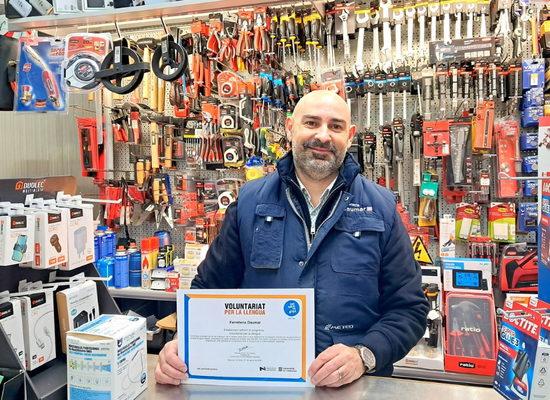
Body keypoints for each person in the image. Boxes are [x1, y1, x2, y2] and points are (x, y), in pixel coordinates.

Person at [155, 90, 429, 388]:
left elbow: (408, 308)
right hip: (262, 383)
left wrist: (363, 355)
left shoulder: (381, 207)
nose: (323, 135)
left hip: (353, 387)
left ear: (350, 136)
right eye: (311, 123)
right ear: (289, 128)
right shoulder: (249, 202)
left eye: (335, 126)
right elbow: (208, 292)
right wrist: (182, 344)